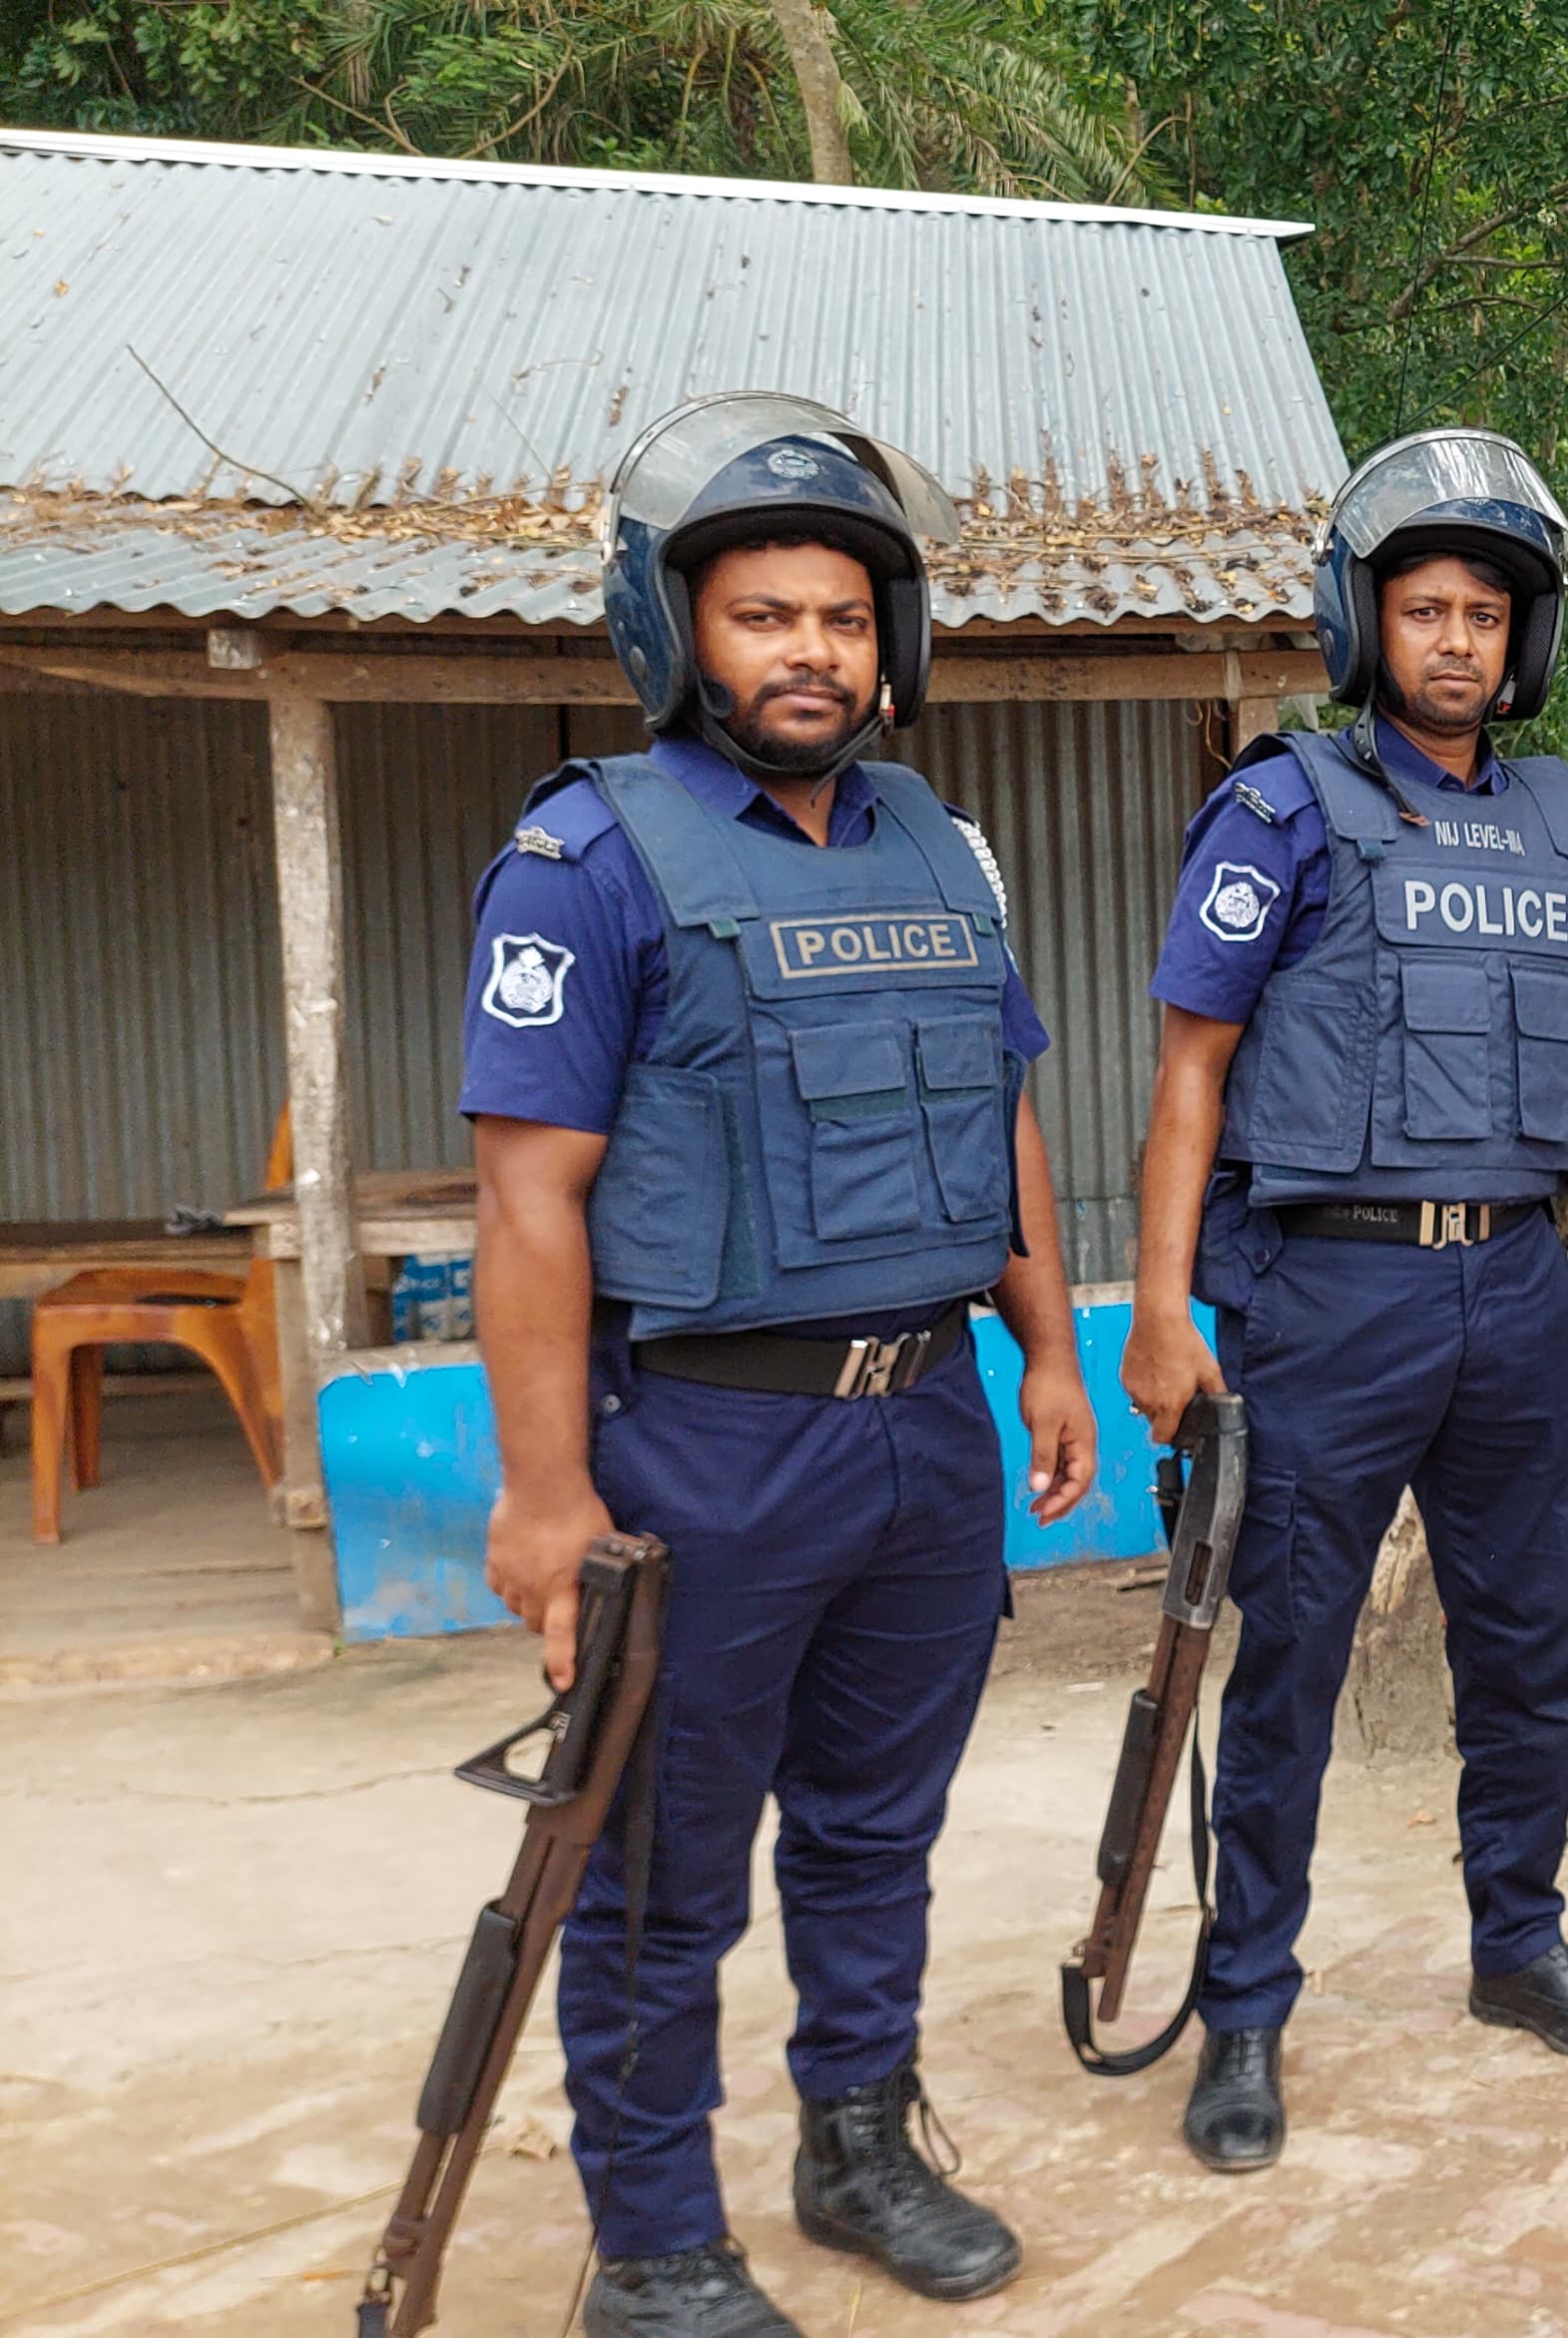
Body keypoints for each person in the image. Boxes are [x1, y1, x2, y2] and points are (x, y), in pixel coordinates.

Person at [467, 393, 1096, 2338]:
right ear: (678, 632)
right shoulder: (587, 858)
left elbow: (999, 1117)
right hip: (707, 1441)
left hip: (920, 1424)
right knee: (660, 1861)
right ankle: (652, 2240)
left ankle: (857, 2143)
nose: (811, 648)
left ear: (886, 640)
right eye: (764, 615)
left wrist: (1048, 1347)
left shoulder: (939, 845)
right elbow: (529, 1200)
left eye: (840, 613)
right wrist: (551, 1490)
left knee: (873, 1827)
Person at [1121, 430, 1568, 2168]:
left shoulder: (1554, 817)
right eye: (1426, 607)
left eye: (1488, 613)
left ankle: (1519, 1945)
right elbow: (1191, 1070)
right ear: (1366, 620)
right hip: (1327, 1294)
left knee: (1529, 1647)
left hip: (1510, 1289)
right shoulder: (1282, 809)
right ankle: (1244, 2016)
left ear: (1524, 641)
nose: (1458, 639)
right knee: (1283, 1660)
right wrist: (1158, 1306)